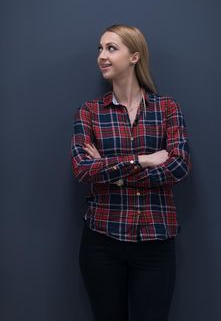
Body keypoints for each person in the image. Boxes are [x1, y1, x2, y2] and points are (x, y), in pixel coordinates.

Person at [70, 24, 192, 321]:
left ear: (135, 56)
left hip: (156, 239)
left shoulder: (167, 109)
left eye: (112, 48)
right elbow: (82, 170)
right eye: (100, 48)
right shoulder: (89, 112)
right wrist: (144, 160)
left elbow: (179, 166)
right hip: (102, 240)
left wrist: (112, 170)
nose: (102, 55)